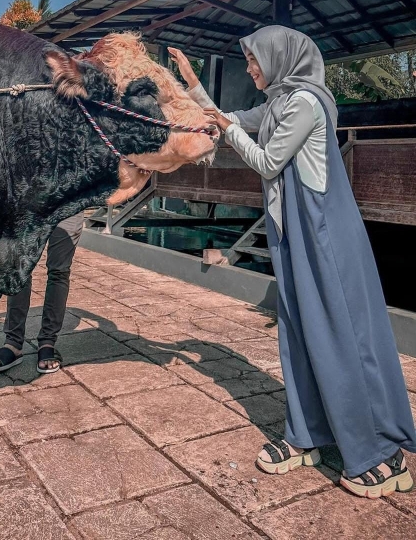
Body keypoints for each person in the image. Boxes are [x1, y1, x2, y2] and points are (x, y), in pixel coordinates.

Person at [168, 26, 416, 499]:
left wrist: (230, 128)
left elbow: (266, 162)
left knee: (342, 334)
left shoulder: (304, 103)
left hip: (324, 234)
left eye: (254, 60)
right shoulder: (281, 101)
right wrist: (190, 82)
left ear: (279, 58)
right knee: (299, 331)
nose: (249, 68)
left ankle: (380, 451)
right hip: (293, 232)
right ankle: (308, 436)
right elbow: (226, 117)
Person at [0, 212, 83, 374]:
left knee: (59, 271)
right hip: (32, 200)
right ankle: (13, 343)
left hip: (70, 203)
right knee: (20, 269)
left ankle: (47, 343)